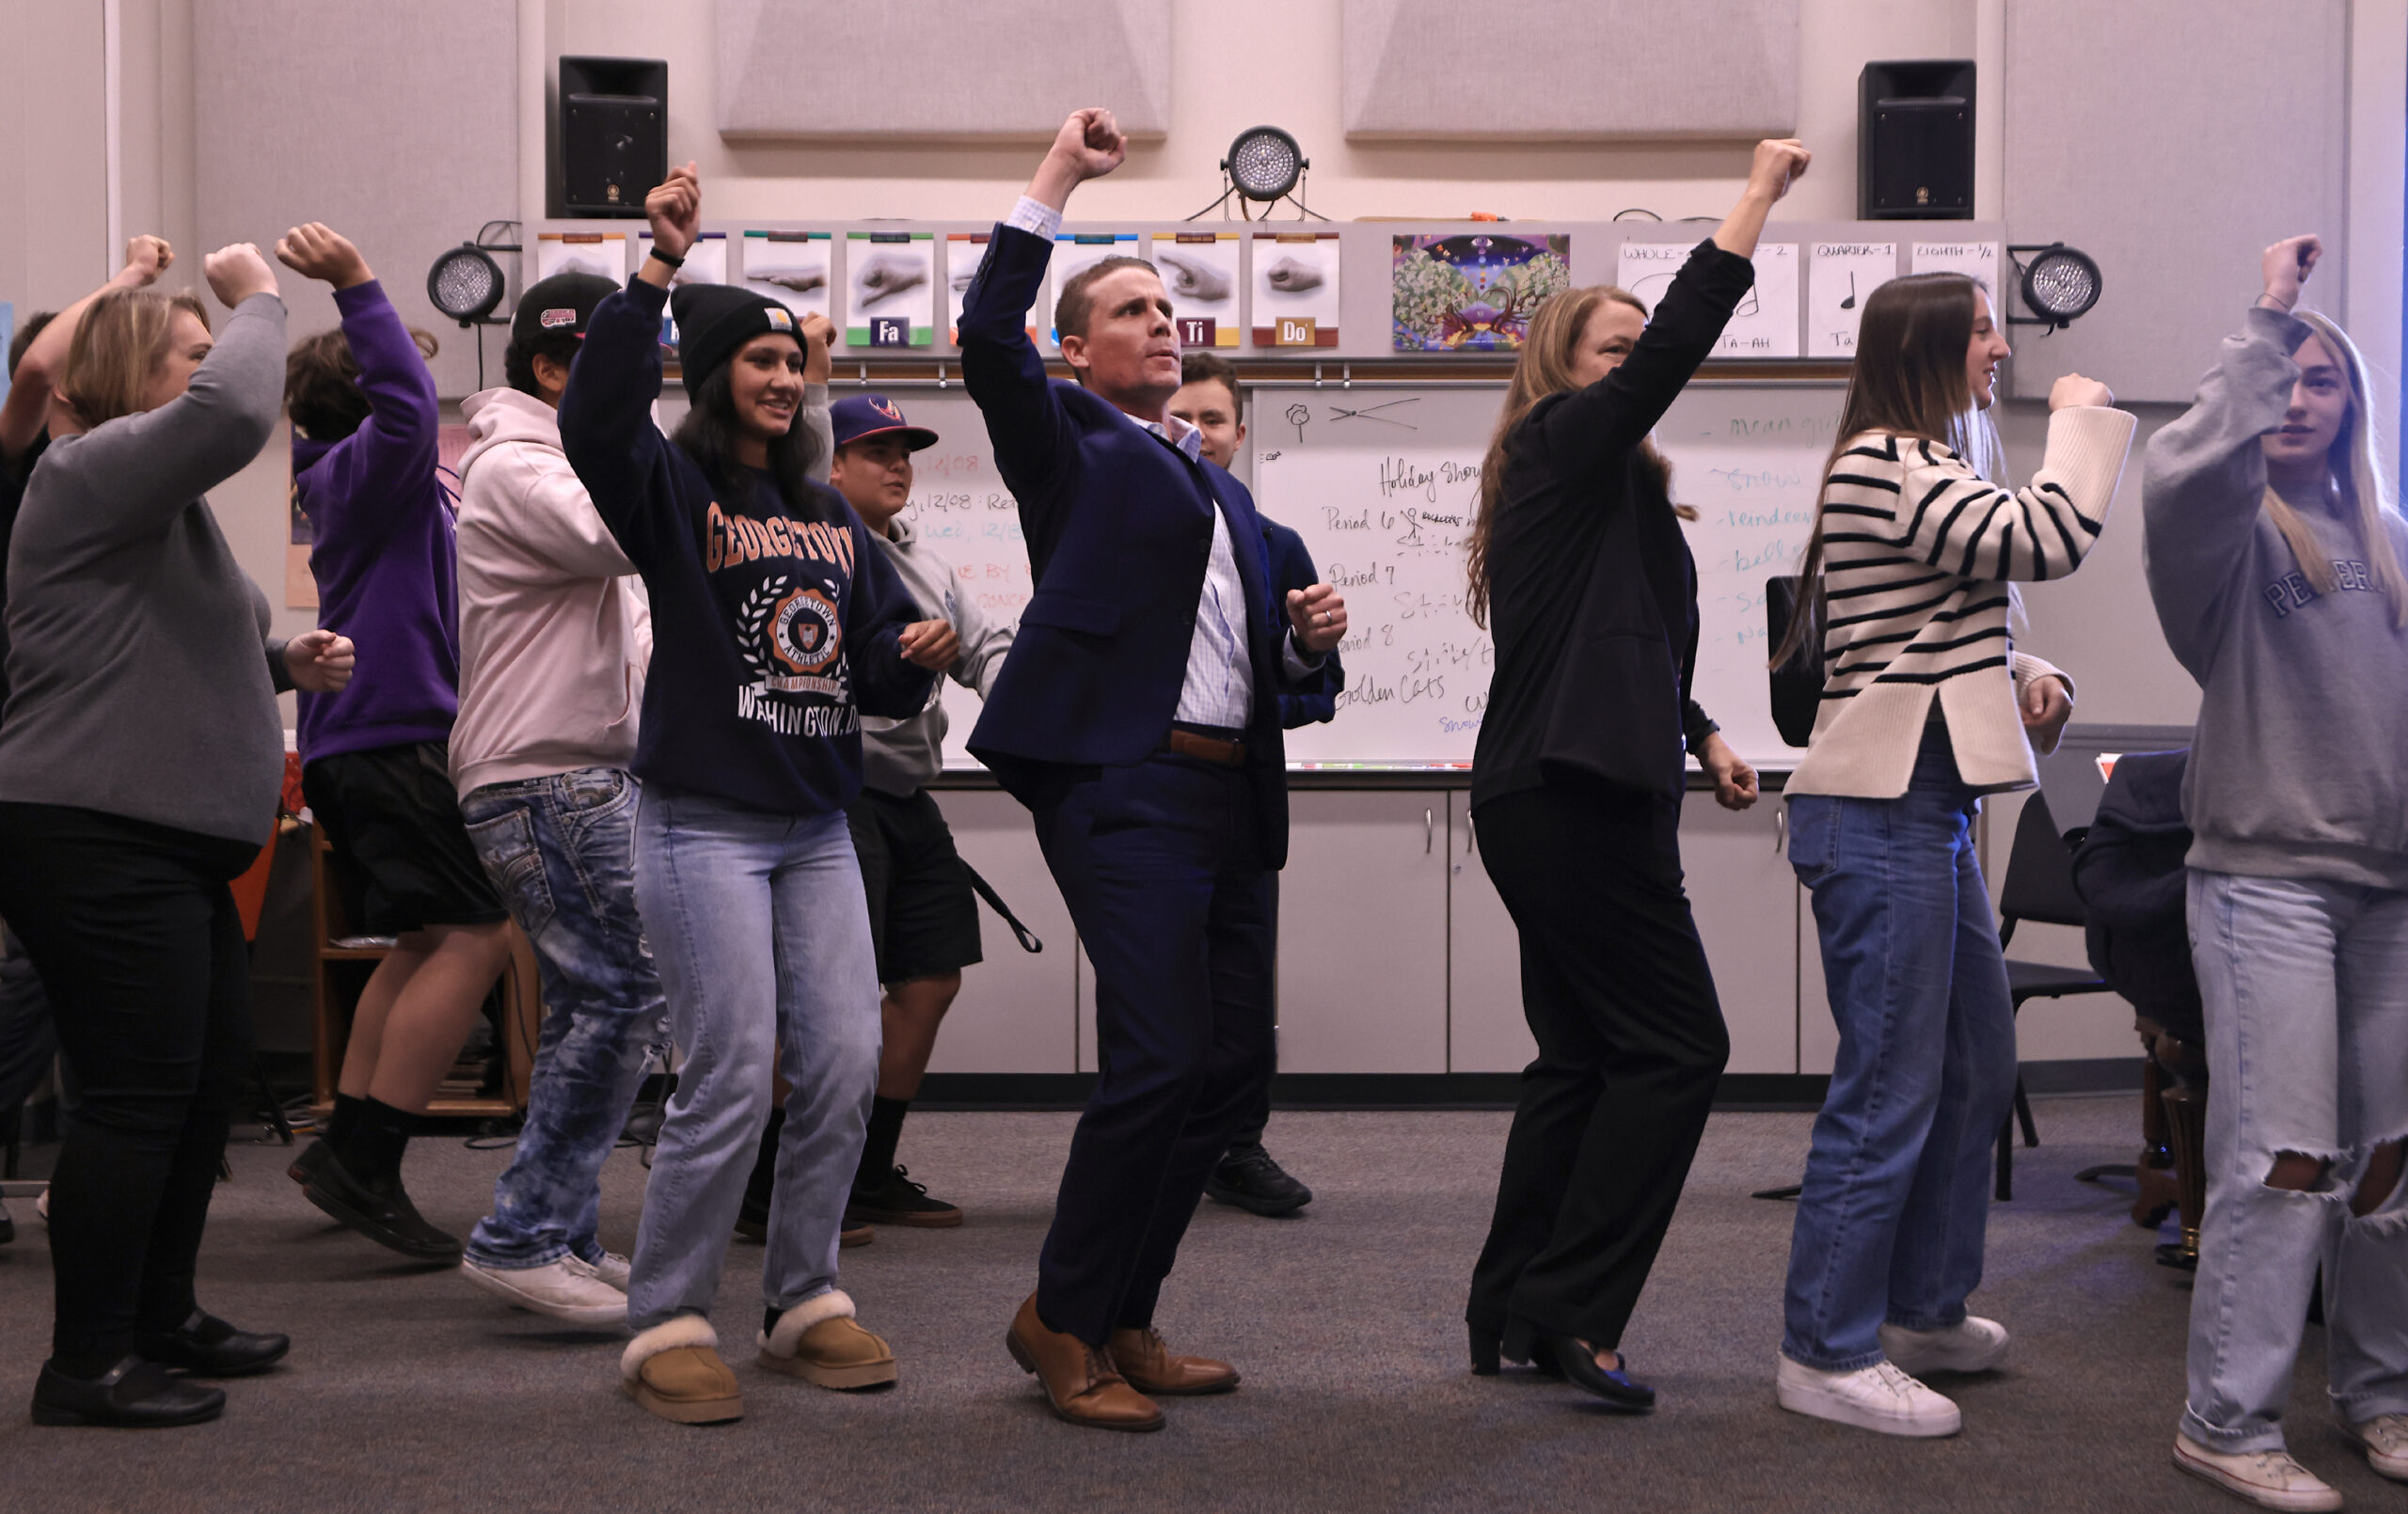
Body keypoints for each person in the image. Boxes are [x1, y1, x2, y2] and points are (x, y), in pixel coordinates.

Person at [958, 108, 1349, 1433]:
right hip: (1121, 787)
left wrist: (1301, 642)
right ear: (1078, 351)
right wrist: (1060, 180)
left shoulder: (1222, 486)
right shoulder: (1066, 442)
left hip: (1227, 793)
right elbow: (982, 340)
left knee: (1228, 1073)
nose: (1161, 321)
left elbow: (1254, 667)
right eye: (1130, 310)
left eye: (1168, 307)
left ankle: (1127, 1308)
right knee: (1157, 1057)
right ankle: (1060, 1317)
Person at [560, 162, 944, 1425]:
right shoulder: (674, 490)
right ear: (715, 371)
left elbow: (873, 677)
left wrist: (911, 656)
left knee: (837, 1059)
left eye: (796, 364)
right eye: (759, 361)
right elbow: (596, 423)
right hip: (701, 823)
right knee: (732, 1063)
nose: (783, 380)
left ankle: (804, 1300)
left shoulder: (830, 511)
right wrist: (657, 273)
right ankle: (666, 1313)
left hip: (818, 823)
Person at [1457, 140, 1802, 1412]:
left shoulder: (1604, 498)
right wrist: (1756, 197)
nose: (1634, 362)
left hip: (1568, 789)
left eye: (1632, 351)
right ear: (1565, 371)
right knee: (1679, 1046)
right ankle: (1576, 1307)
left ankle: (1508, 1308)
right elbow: (1670, 357)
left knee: (1588, 1054)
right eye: (1613, 348)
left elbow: (1622, 645)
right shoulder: (1562, 443)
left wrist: (1704, 727)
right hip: (1572, 796)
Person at [1766, 271, 2131, 1437]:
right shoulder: (1884, 458)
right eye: (1981, 330)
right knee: (1888, 1087)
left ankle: (1922, 1309)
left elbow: (1967, 614)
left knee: (1974, 1063)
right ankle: (1821, 1349)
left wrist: (2034, 673)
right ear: (1926, 344)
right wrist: (2082, 417)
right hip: (1875, 814)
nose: (2001, 350)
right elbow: (2049, 535)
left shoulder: (1935, 464)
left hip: (1929, 811)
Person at [0, 244, 355, 1427]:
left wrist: (278, 662)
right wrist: (258, 298)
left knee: (197, 1098)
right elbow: (239, 409)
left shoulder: (153, 509)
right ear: (133, 376)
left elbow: (155, 659)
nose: (216, 370)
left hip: (169, 839)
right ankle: (85, 1362)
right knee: (136, 1098)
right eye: (191, 358)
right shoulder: (86, 468)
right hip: (97, 831)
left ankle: (161, 1317)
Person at [2144, 234, 2408, 1511]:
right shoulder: (2230, 543)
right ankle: (2226, 1419)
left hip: (2391, 893)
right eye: (2283, 382)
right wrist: (2269, 316)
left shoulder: (2395, 548)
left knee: (2391, 1162)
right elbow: (2180, 467)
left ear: (2355, 404)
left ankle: (2382, 1395)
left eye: (2322, 383)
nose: (2301, 398)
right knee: (2284, 1157)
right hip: (2266, 885)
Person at [275, 225, 515, 1267]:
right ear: (373, 397)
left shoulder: (354, 475)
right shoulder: (368, 467)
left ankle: (346, 1143)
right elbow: (409, 407)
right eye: (404, 371)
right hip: (390, 733)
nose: (425, 393)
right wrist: (358, 286)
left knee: (422, 940)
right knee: (477, 935)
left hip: (376, 735)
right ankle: (368, 1157)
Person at [734, 391, 1016, 1236]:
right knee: (827, 1001)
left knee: (930, 979)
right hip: (831, 792)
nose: (899, 465)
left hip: (905, 794)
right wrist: (887, 655)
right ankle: (767, 1182)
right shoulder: (805, 551)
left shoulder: (924, 561)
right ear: (830, 465)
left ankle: (862, 1171)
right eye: (877, 450)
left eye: (906, 451)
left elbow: (984, 645)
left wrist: (1025, 707)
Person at [443, 270, 667, 1324]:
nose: (644, 394)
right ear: (550, 370)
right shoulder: (520, 466)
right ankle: (522, 1232)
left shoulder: (558, 463)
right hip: (543, 772)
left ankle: (560, 1230)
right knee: (629, 986)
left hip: (571, 769)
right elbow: (634, 534)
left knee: (599, 994)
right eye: (622, 373)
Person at [1169, 350, 1338, 1219]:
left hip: (1240, 791)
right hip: (1152, 791)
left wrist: (1308, 645)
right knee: (1154, 977)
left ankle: (1238, 1144)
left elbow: (1311, 687)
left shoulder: (1275, 546)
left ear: (1239, 433)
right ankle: (1157, 1144)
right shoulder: (1126, 522)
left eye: (1215, 418)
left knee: (1242, 982)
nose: (1199, 432)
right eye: (1182, 415)